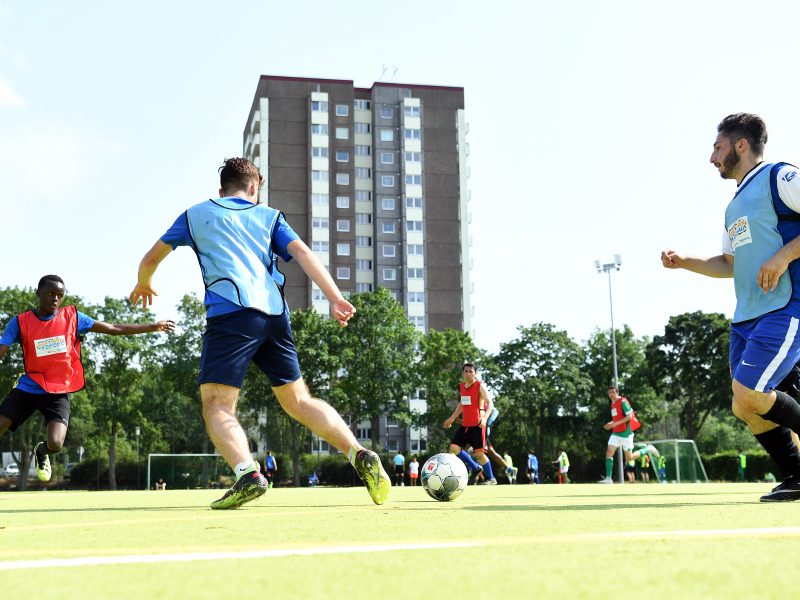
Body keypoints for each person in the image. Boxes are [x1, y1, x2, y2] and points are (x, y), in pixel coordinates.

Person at [130, 157, 391, 509]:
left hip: (231, 316)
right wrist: (335, 297)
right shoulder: (269, 216)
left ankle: (247, 473)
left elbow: (150, 259)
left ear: (221, 190)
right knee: (298, 401)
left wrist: (144, 284)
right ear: (254, 188)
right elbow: (302, 253)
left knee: (217, 405)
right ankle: (358, 454)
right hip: (274, 316)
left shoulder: (196, 214)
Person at [661, 113, 800, 502]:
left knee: (750, 390)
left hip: (786, 305)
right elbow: (731, 264)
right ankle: (796, 475)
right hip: (747, 318)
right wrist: (685, 261)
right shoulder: (734, 205)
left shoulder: (780, 177)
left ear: (740, 145)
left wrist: (783, 257)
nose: (712, 158)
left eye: (717, 148)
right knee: (743, 405)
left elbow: (782, 253)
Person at [0, 275, 174, 483]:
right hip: (28, 388)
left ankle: (42, 451)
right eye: (50, 293)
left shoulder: (73, 317)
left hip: (57, 391)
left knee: (55, 443)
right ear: (38, 293)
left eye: (60, 295)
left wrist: (153, 327)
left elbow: (113, 329)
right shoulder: (20, 322)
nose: (55, 298)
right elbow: (3, 349)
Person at [444, 363, 496, 484]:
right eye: (466, 371)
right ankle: (475, 467)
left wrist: (484, 419)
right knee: (454, 448)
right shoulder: (462, 387)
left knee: (479, 454)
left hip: (478, 425)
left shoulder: (479, 385)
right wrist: (452, 418)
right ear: (463, 373)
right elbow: (462, 404)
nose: (468, 373)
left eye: (471, 371)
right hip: (465, 425)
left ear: (475, 373)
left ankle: (491, 478)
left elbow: (490, 403)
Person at [598, 386, 659, 484]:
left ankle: (648, 449)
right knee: (609, 452)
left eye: (613, 392)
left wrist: (614, 424)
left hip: (626, 433)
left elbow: (629, 416)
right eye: (609, 393)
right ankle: (608, 478)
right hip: (616, 433)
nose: (611, 395)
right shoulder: (613, 404)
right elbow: (618, 419)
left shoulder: (623, 401)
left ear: (617, 392)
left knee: (629, 458)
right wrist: (611, 423)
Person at [483, 406, 517, 482]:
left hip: (481, 430)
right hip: (480, 429)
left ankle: (488, 477)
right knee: (491, 452)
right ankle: (509, 469)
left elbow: (495, 411)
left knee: (478, 453)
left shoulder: (482, 399)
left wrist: (487, 423)